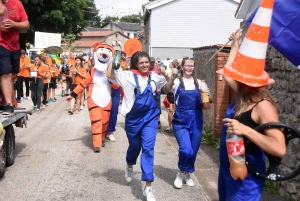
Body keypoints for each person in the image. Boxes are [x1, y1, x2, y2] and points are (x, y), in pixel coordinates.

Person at [217, 30, 286, 201]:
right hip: (228, 170)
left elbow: (279, 148)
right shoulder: (242, 95)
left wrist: (245, 130)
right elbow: (227, 72)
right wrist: (236, 44)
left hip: (246, 178)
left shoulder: (263, 107)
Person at [107, 51, 172, 201]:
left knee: (148, 149)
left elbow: (166, 88)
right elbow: (110, 74)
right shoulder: (127, 76)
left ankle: (148, 187)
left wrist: (169, 76)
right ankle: (130, 165)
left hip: (150, 118)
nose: (145, 65)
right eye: (141, 63)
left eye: (147, 62)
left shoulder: (155, 77)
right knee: (134, 147)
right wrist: (114, 58)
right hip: (133, 119)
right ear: (136, 64)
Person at [164, 58, 209, 189]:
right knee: (186, 150)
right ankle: (180, 173)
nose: (189, 68)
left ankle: (187, 173)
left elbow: (208, 100)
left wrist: (208, 97)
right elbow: (166, 90)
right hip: (181, 120)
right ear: (182, 67)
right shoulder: (177, 82)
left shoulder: (199, 83)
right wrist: (171, 79)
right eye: (187, 65)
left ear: (194, 67)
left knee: (193, 151)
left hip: (196, 118)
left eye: (191, 66)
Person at [66, 42, 117, 152]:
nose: (104, 56)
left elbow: (117, 86)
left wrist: (109, 77)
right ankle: (97, 144)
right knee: (96, 121)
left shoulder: (112, 72)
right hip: (93, 100)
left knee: (104, 122)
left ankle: (102, 138)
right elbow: (84, 83)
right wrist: (73, 94)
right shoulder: (92, 71)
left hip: (107, 101)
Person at [0, 0, 29, 114]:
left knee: (12, 74)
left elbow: (26, 24)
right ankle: (8, 104)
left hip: (15, 46)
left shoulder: (16, 3)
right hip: (1, 44)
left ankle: (3, 104)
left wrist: (14, 24)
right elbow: (2, 11)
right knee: (5, 72)